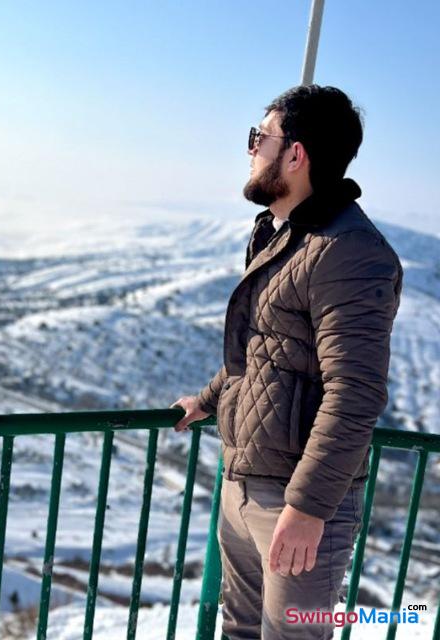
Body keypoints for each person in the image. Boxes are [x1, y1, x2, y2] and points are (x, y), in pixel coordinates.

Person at [172, 85, 403, 640]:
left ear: (295, 155)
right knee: (240, 631)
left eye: (260, 138)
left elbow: (355, 392)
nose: (251, 150)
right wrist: (204, 402)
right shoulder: (281, 234)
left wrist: (307, 507)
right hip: (243, 481)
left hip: (294, 504)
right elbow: (259, 353)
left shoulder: (349, 252)